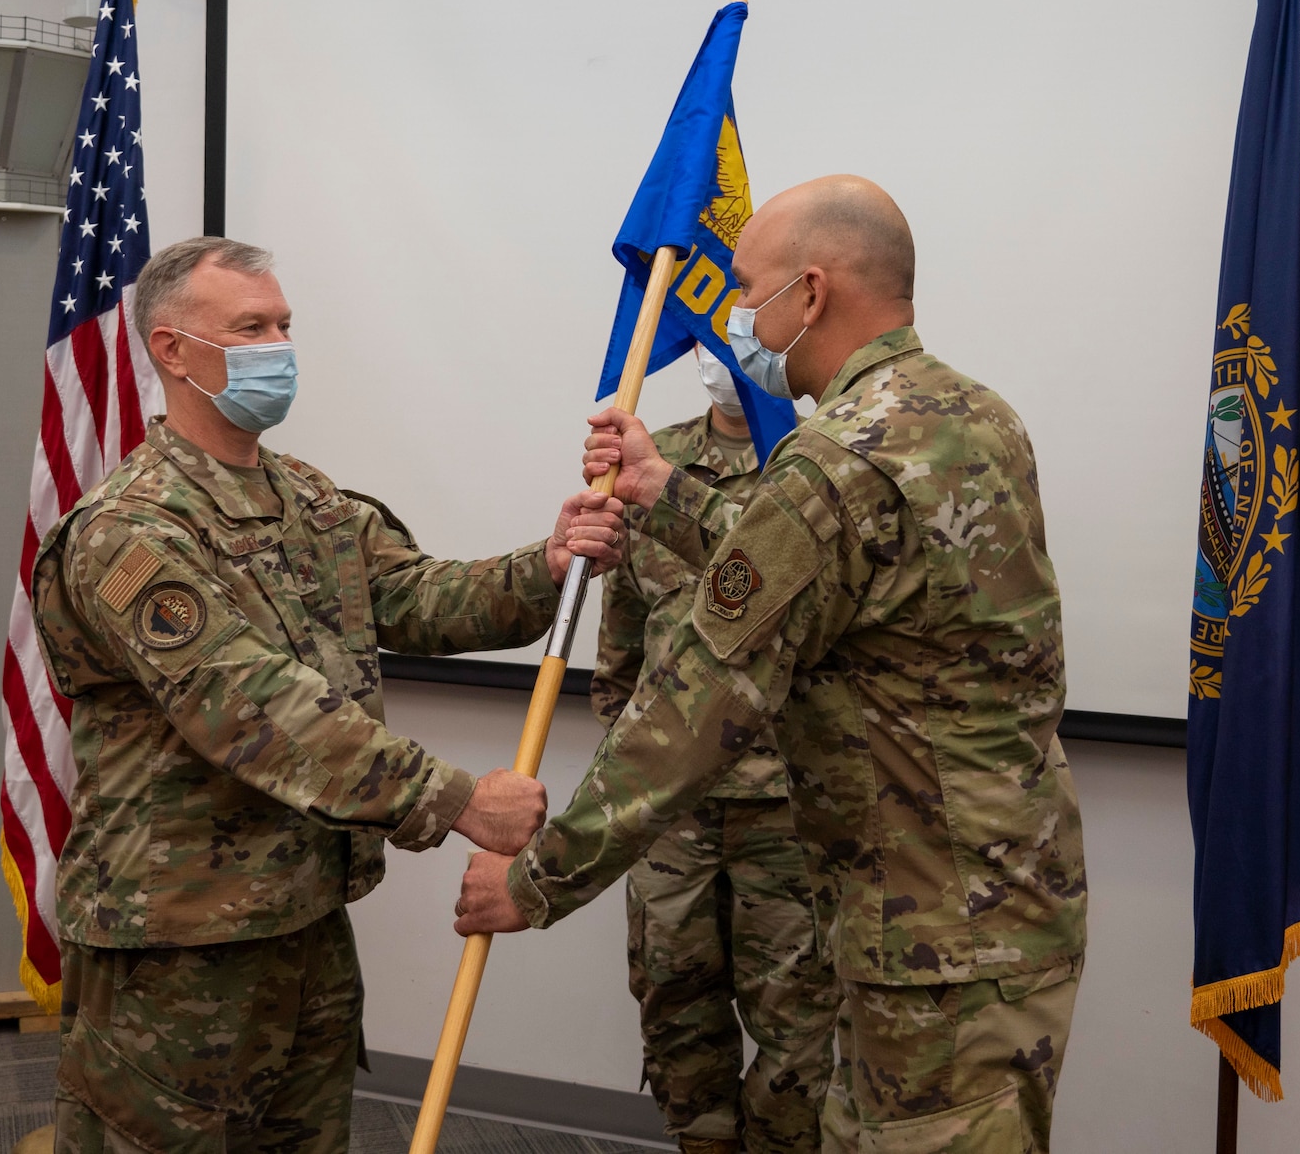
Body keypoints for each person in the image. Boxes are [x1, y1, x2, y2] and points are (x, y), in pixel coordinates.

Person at [455, 177, 1088, 1153]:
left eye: (745, 292)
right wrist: (668, 492)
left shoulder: (833, 461)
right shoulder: (972, 415)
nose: (735, 318)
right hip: (1001, 897)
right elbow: (832, 572)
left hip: (926, 929)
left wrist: (537, 875)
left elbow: (700, 697)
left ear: (811, 290)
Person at [31, 236, 623, 1153]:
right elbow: (252, 708)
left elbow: (420, 598)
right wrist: (458, 801)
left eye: (283, 326)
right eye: (250, 328)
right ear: (171, 350)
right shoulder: (128, 533)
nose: (277, 347)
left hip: (301, 917)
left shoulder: (305, 499)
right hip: (176, 943)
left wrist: (542, 567)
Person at [593, 345, 837, 1154]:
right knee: (674, 1010)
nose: (727, 357)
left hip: (792, 809)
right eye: (711, 338)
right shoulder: (646, 467)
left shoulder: (822, 468)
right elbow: (622, 647)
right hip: (672, 809)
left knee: (798, 1029)